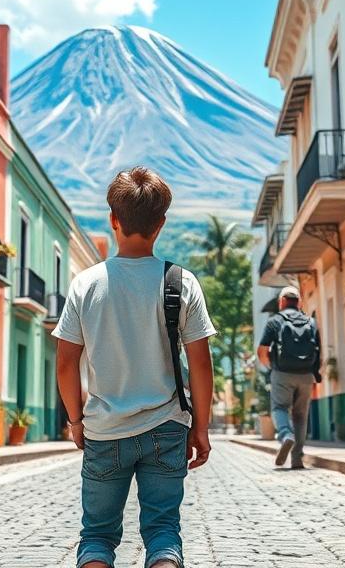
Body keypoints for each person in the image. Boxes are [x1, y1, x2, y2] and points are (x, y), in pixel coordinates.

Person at [54, 167, 216, 568]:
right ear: (161, 224)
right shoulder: (182, 282)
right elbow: (200, 364)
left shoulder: (85, 284)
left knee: (96, 536)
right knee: (163, 531)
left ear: (113, 220)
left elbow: (65, 364)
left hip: (104, 430)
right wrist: (201, 428)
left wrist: (76, 420)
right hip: (167, 427)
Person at [257, 286, 321, 469]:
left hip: (282, 373)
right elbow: (319, 352)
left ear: (281, 302)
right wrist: (315, 375)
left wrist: (272, 367)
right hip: (306, 376)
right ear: (300, 302)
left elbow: (262, 351)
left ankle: (285, 435)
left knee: (279, 408)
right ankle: (297, 459)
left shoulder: (274, 321)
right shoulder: (311, 321)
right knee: (301, 416)